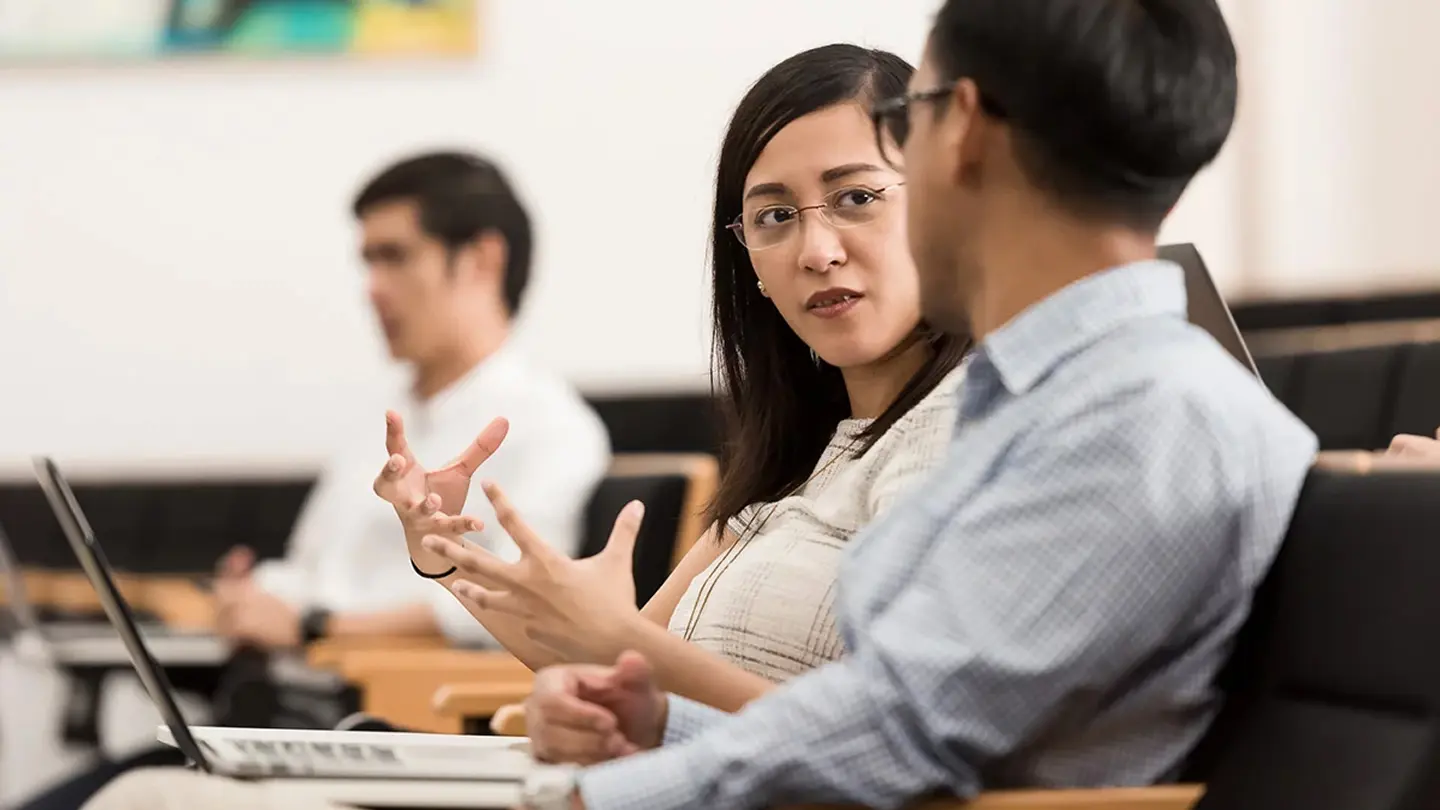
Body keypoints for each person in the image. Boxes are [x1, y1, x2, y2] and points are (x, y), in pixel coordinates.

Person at [75, 42, 971, 810]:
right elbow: (618, 663)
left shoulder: (963, 432)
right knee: (153, 792)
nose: (816, 249)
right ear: (751, 264)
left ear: (939, 194)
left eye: (857, 197)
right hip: (625, 786)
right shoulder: (798, 463)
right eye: (774, 217)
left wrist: (622, 672)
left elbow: (878, 734)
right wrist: (454, 564)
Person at [509, 0, 1319, 808]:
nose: (820, 245)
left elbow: (904, 733)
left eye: (909, 115)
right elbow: (892, 727)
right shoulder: (1073, 395)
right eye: (776, 217)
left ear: (960, 127)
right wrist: (662, 725)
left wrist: (593, 801)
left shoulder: (1139, 417)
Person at [19, 151, 609, 810]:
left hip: (376, 732)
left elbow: (510, 608)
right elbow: (312, 568)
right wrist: (254, 599)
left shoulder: (550, 428)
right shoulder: (380, 428)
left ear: (481, 260)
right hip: (276, 721)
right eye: (367, 263)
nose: (372, 288)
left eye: (395, 257)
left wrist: (313, 626)